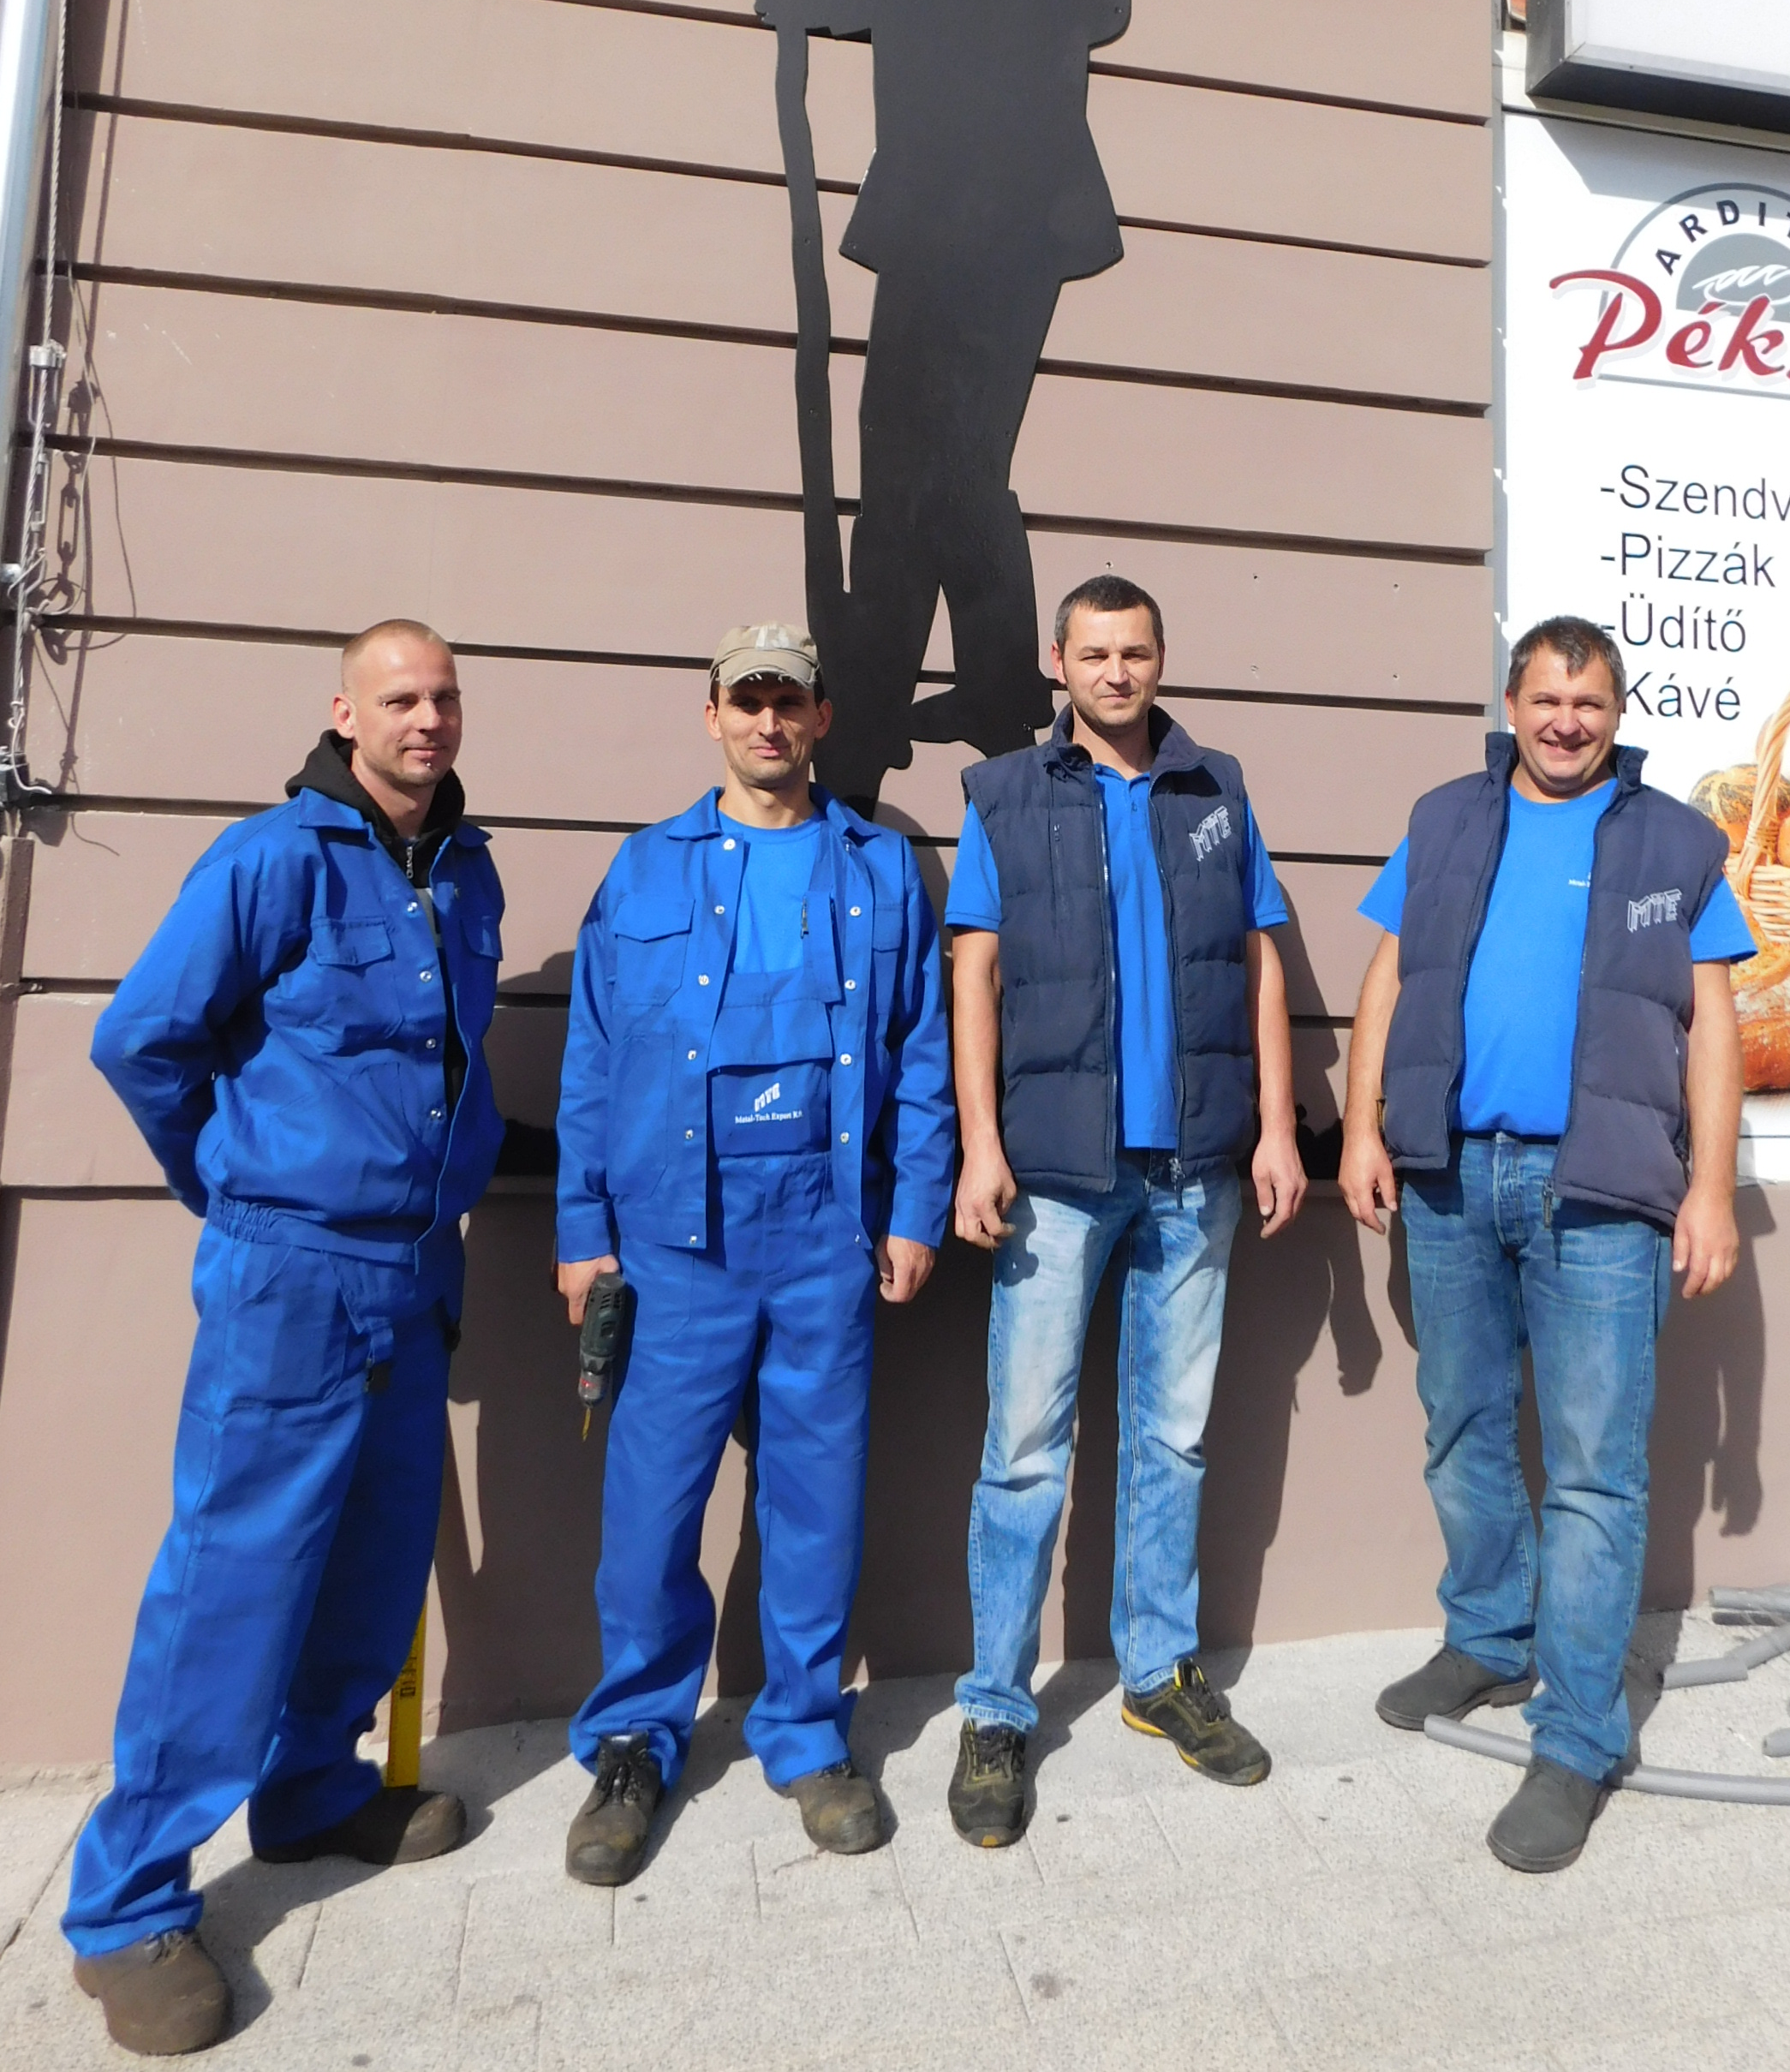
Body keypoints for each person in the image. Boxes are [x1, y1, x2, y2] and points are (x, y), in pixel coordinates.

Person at [65, 624, 505, 2057]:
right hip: (294, 1276)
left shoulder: (467, 870)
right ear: (344, 714)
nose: (427, 719)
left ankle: (312, 1792)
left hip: (416, 1272)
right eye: (400, 698)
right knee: (235, 1576)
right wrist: (237, 1186)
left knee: (376, 1559)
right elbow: (142, 1040)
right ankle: (126, 1905)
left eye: (444, 697)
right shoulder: (272, 859)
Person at [1340, 615, 1751, 1874]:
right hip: (1453, 1176)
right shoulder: (1444, 820)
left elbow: (1715, 1025)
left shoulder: (1675, 840)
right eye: (1547, 699)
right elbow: (1387, 979)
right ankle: (1488, 1638)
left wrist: (1712, 1191)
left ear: (1617, 715)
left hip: (1605, 1190)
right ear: (1511, 704)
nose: (1567, 722)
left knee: (1592, 1474)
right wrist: (1359, 1128)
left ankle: (1575, 1739)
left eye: (1591, 703)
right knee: (1461, 1428)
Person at [554, 622, 954, 1883]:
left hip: (824, 1237)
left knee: (816, 1501)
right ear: (712, 713)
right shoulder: (645, 870)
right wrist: (581, 1228)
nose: (769, 722)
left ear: (823, 717)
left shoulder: (880, 869)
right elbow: (592, 1057)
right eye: (748, 700)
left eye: (790, 701)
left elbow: (924, 1051)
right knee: (652, 1505)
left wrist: (915, 1208)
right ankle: (635, 1739)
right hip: (675, 1246)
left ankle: (805, 1731)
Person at [943, 574, 1308, 1843]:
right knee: (1023, 1451)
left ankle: (1158, 1671)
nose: (1115, 672)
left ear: (1160, 659)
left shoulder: (1217, 790)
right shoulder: (1005, 794)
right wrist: (978, 1148)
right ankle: (997, 1708)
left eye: (1135, 652)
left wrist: (1275, 1127)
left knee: (1175, 1435)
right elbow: (974, 975)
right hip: (1053, 1175)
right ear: (1059, 662)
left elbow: (1258, 962)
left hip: (1195, 1170)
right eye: (1093, 653)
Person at [751, 0, 1132, 798]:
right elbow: (1067, 6)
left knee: (910, 449)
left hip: (964, 194)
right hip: (1035, 206)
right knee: (964, 455)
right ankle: (988, 679)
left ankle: (886, 693)